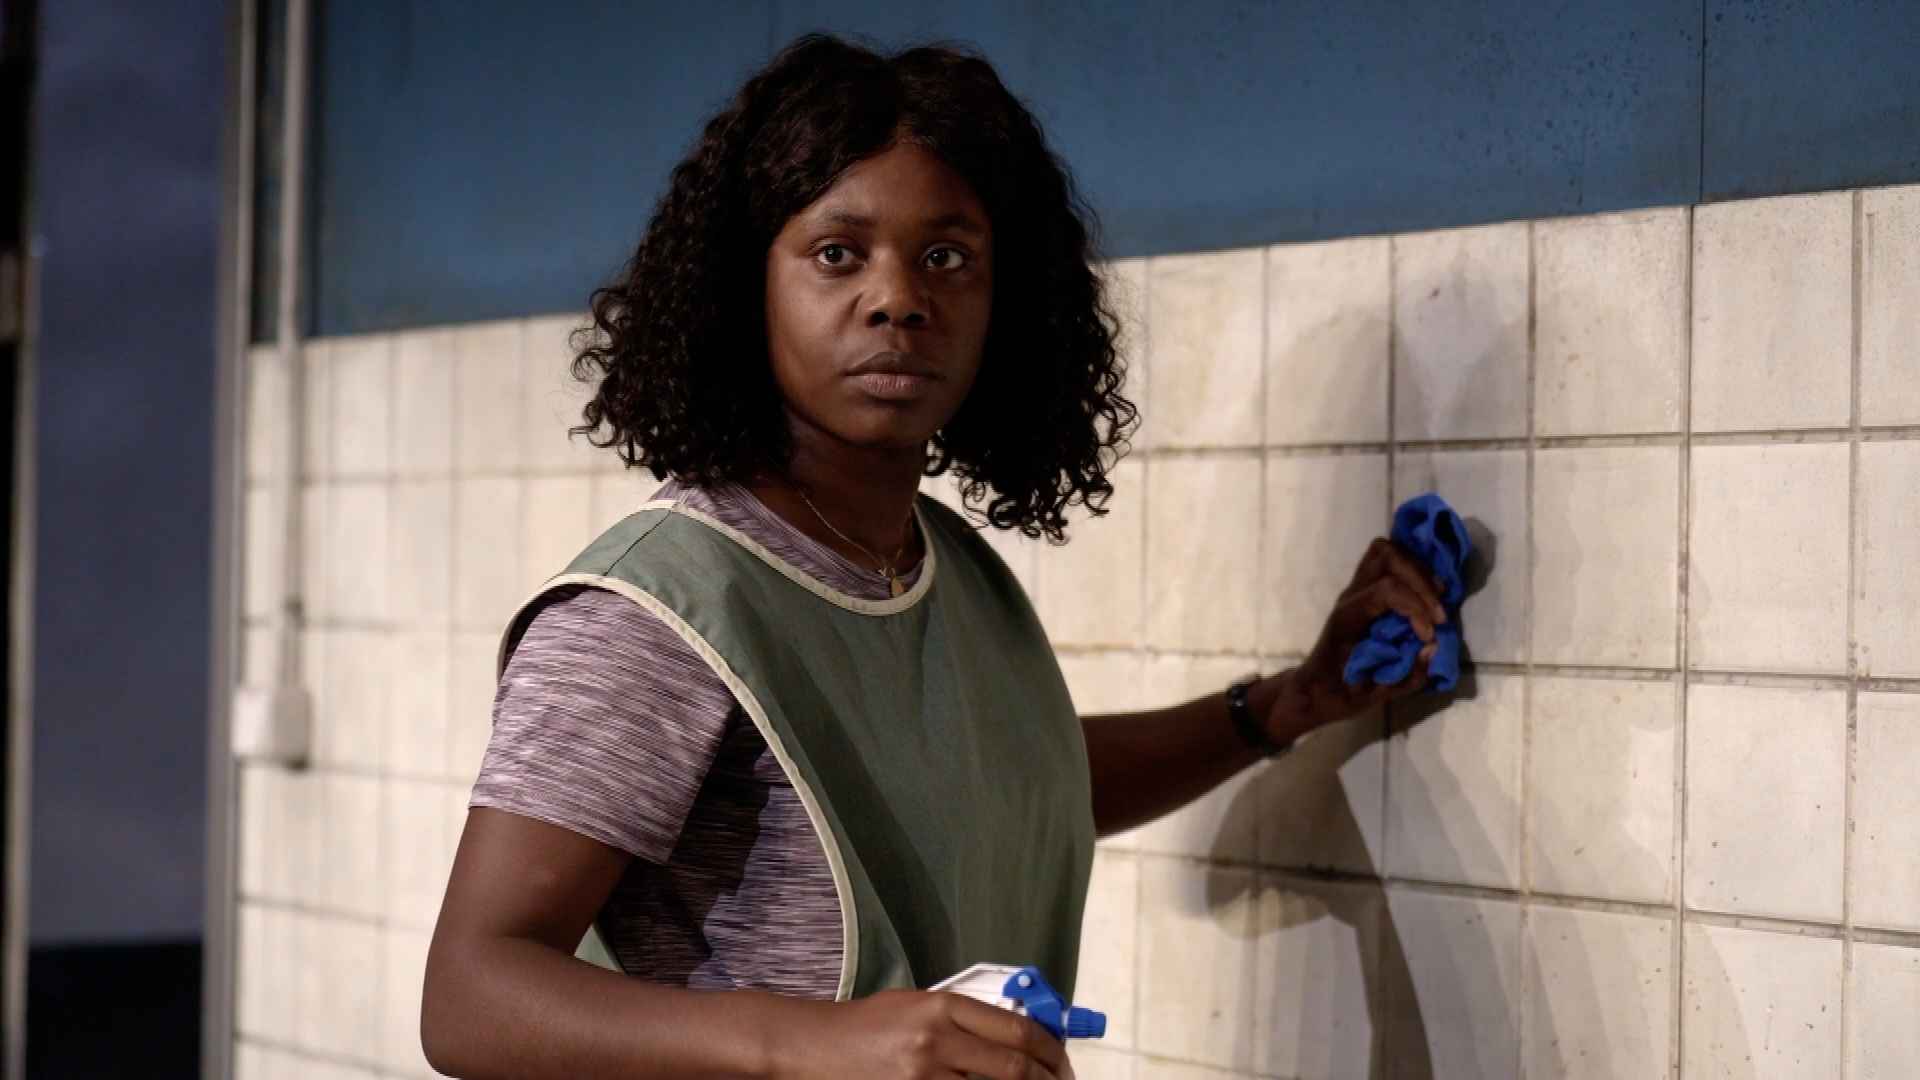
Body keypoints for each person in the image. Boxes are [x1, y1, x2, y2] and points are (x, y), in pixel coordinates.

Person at [420, 32, 1446, 1080]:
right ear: (745, 286)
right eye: (837, 253)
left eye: (946, 258)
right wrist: (813, 1042)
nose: (898, 298)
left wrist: (1283, 706)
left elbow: (1016, 793)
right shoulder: (653, 611)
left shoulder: (938, 562)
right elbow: (468, 996)